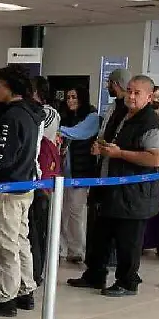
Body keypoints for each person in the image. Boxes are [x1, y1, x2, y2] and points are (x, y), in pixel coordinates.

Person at [68, 75, 159, 296]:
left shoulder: (152, 124)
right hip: (107, 188)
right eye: (129, 90)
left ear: (149, 97)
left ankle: (127, 282)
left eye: (137, 93)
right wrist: (101, 147)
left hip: (133, 193)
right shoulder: (122, 115)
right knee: (99, 235)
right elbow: (111, 143)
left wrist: (119, 153)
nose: (131, 96)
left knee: (128, 241)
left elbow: (155, 158)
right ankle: (94, 275)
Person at [0, 66, 43, 316]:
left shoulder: (12, 117)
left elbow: (4, 158)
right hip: (27, 185)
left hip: (8, 188)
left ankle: (5, 297)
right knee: (21, 239)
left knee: (5, 244)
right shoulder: (31, 113)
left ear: (9, 86)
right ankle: (26, 290)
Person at [57, 87, 99, 263]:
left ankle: (77, 249)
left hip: (82, 171)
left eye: (74, 97)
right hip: (64, 172)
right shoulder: (67, 117)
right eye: (68, 97)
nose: (71, 100)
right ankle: (63, 248)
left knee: (76, 212)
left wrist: (57, 129)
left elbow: (80, 133)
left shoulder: (92, 117)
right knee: (63, 212)